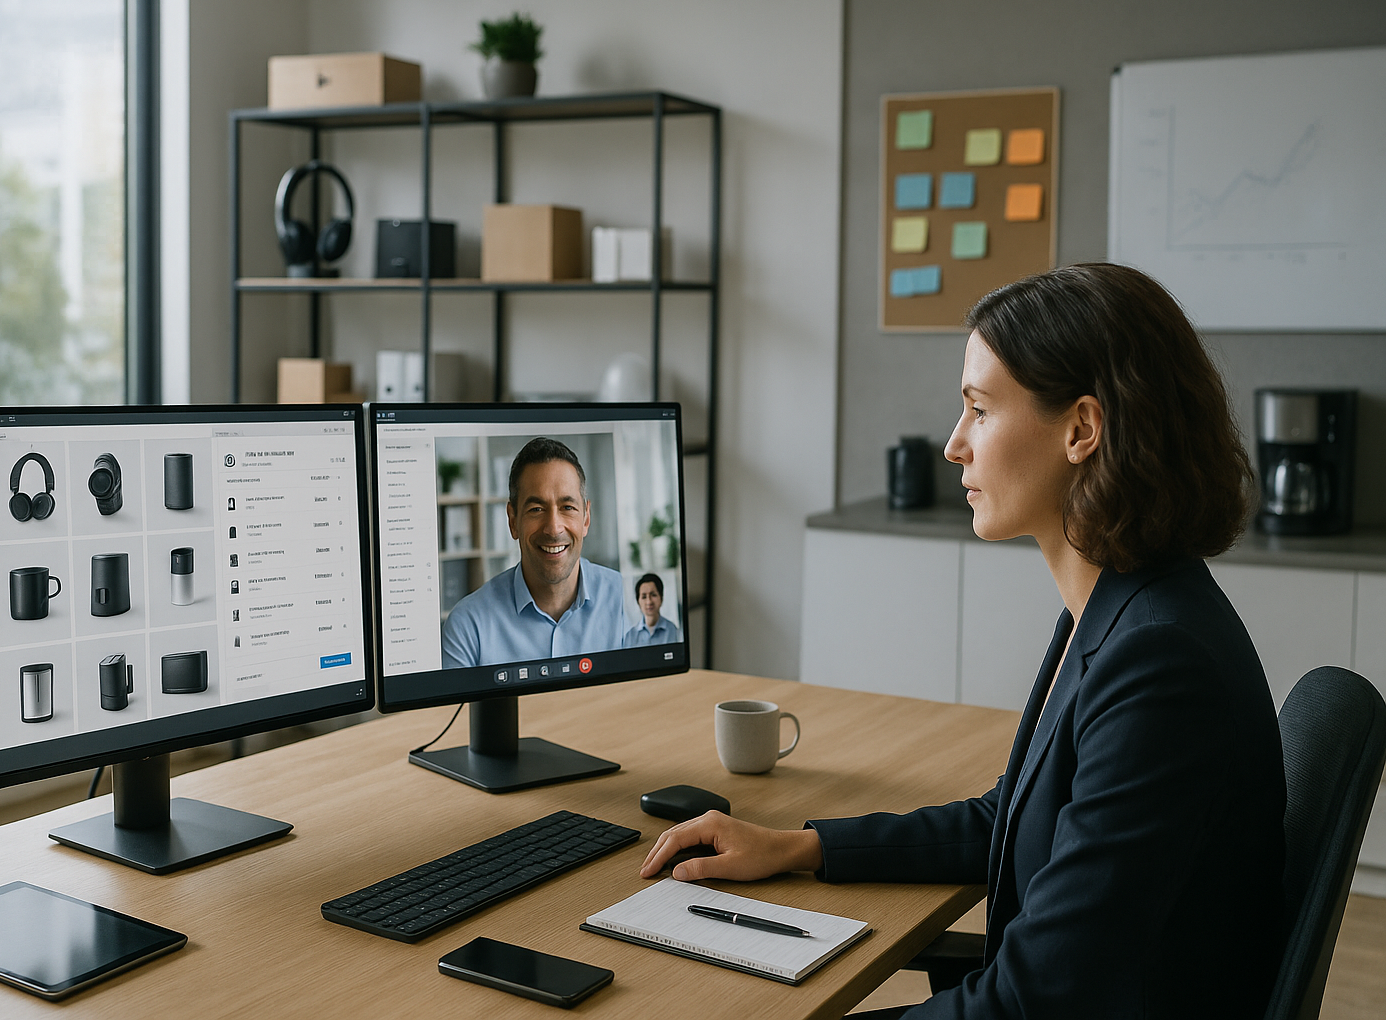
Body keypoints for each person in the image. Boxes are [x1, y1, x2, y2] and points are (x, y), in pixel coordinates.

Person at [639, 263, 1286, 1019]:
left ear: (1082, 429)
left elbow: (1030, 1002)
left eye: (980, 409)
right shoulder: (1128, 603)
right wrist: (800, 847)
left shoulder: (1159, 664)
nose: (954, 445)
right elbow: (1021, 817)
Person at [441, 437, 627, 669]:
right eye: (536, 509)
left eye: (567, 508)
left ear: (586, 518)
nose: (553, 528)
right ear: (513, 521)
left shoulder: (629, 603)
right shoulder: (468, 626)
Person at [622, 572, 681, 648]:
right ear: (638, 601)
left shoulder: (673, 630)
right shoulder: (630, 636)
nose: (649, 602)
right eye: (644, 597)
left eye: (653, 595)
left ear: (661, 598)